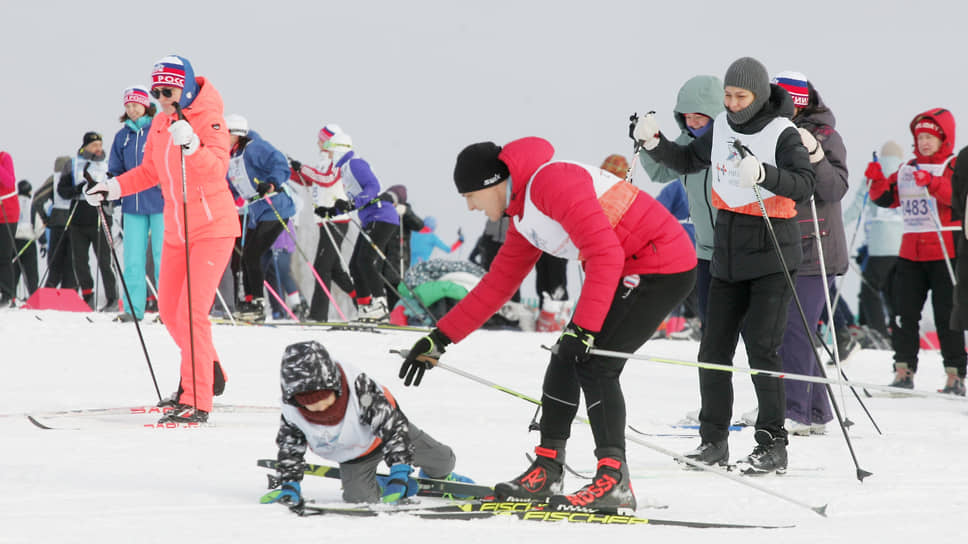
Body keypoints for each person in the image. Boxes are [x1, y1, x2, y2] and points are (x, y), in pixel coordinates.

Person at [399, 137, 697, 513]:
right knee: (564, 357)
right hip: (624, 265)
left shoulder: (551, 183)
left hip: (660, 262)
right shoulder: (523, 214)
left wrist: (583, 330)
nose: (470, 206)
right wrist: (439, 338)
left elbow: (603, 252)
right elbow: (497, 286)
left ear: (494, 182)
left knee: (595, 363)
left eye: (471, 195)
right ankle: (547, 469)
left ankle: (614, 480)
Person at [635, 56, 815, 474]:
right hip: (727, 257)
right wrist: (653, 142)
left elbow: (804, 186)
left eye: (740, 96)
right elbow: (685, 161)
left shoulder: (782, 132)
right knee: (713, 352)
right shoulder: (721, 126)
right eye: (728, 97)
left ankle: (772, 445)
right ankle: (712, 442)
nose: (733, 104)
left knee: (762, 349)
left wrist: (765, 174)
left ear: (759, 95)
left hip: (772, 256)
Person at [86, 54, 238, 423]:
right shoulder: (160, 121)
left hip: (211, 229)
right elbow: (151, 171)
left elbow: (218, 169)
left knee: (190, 313)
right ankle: (207, 367)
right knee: (170, 313)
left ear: (184, 88)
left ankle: (197, 398)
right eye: (156, 92)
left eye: (167, 90)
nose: (161, 97)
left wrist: (193, 147)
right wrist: (113, 187)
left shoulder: (210, 118)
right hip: (177, 232)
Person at [260, 340, 473, 506]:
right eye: (309, 404)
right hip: (355, 454)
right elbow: (290, 448)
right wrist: (290, 484)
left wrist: (399, 472)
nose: (319, 408)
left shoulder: (359, 390)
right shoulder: (292, 413)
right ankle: (380, 484)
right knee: (359, 499)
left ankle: (439, 477)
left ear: (335, 386)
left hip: (389, 434)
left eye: (324, 399)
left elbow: (393, 430)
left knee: (444, 459)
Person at [769, 72, 849, 435]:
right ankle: (816, 411)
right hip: (783, 241)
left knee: (795, 329)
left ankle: (796, 409)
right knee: (794, 329)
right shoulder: (770, 132)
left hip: (816, 243)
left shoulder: (825, 135)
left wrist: (815, 155)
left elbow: (834, 189)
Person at [868, 108, 965, 394]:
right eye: (919, 136)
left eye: (930, 137)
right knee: (903, 313)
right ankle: (903, 371)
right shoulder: (907, 168)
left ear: (943, 139)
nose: (923, 142)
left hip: (947, 250)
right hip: (912, 250)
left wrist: (933, 183)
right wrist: (876, 181)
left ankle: (955, 374)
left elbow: (959, 199)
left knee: (948, 314)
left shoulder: (955, 164)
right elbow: (888, 199)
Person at [636, 74, 725, 324]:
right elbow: (660, 172)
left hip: (735, 248)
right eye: (687, 117)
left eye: (700, 117)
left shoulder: (731, 144)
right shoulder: (685, 144)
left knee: (742, 324)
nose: (694, 123)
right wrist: (648, 143)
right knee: (711, 325)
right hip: (704, 251)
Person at [317, 129, 399, 322]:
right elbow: (353, 201)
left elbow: (373, 186)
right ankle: (365, 307)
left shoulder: (355, 163)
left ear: (338, 148)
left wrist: (354, 203)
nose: (327, 153)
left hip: (382, 216)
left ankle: (380, 304)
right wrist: (331, 211)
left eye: (329, 148)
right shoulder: (345, 169)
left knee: (365, 261)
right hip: (372, 218)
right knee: (355, 265)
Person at [224, 114, 296, 322]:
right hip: (256, 211)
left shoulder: (255, 147)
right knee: (247, 255)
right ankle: (250, 300)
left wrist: (271, 183)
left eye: (223, 133)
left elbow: (280, 163)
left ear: (235, 134)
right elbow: (232, 188)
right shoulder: (232, 157)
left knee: (252, 254)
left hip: (275, 207)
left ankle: (257, 302)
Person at [289, 124, 356, 322]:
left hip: (336, 219)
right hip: (324, 221)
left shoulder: (337, 161)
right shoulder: (322, 162)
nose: (317, 143)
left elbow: (326, 180)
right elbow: (310, 180)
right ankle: (363, 298)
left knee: (321, 267)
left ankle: (318, 315)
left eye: (321, 139)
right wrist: (291, 170)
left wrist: (302, 168)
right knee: (333, 270)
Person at [108, 85, 164, 323]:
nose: (131, 110)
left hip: (160, 202)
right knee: (132, 258)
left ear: (146, 105)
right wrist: (110, 191)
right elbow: (116, 170)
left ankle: (168, 310)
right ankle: (133, 309)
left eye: (135, 105)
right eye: (128, 106)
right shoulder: (122, 137)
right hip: (132, 204)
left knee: (163, 256)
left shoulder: (159, 129)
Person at [844, 141, 904, 342]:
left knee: (870, 290)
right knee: (895, 293)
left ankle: (878, 333)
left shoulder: (874, 175)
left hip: (879, 246)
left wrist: (834, 225)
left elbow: (857, 207)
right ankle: (899, 333)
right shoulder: (904, 174)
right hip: (904, 247)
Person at [57, 131, 118, 311]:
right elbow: (62, 190)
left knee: (105, 261)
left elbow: (115, 187)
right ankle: (88, 295)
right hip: (78, 219)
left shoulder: (108, 164)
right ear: (85, 147)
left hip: (101, 218)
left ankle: (112, 298)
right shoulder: (73, 164)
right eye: (94, 145)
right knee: (80, 261)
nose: (98, 148)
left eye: (100, 144)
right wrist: (78, 189)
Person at [34, 156, 76, 290]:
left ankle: (50, 291)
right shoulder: (76, 178)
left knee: (55, 261)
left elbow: (37, 199)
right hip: (75, 223)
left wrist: (46, 219)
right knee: (71, 262)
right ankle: (69, 294)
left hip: (57, 223)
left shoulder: (54, 179)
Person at [13, 180, 44, 298]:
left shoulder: (12, 202)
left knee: (13, 271)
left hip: (13, 242)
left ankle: (11, 297)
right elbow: (38, 225)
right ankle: (34, 297)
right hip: (28, 242)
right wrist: (43, 243)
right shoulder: (32, 204)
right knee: (31, 273)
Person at [0, 150, 18, 306]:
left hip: (6, 214)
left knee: (4, 256)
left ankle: (8, 294)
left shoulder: (4, 158)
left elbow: (9, 182)